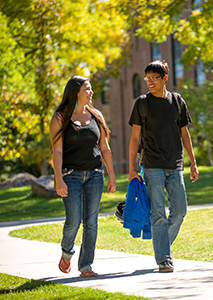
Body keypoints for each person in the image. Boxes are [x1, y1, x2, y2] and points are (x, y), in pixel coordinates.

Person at [128, 60, 199, 272]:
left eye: (154, 78)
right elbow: (134, 138)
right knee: (158, 213)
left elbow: (185, 134)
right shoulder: (142, 103)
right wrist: (132, 168)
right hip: (152, 165)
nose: (149, 82)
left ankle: (162, 247)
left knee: (180, 212)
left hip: (175, 164)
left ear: (164, 78)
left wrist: (193, 163)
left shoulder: (177, 101)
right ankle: (164, 259)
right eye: (147, 78)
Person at [49, 75, 117, 277]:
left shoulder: (96, 115)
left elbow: (105, 148)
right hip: (71, 175)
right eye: (87, 89)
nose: (91, 92)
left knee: (91, 222)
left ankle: (86, 266)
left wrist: (111, 175)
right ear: (75, 92)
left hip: (95, 175)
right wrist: (58, 178)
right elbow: (57, 150)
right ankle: (66, 253)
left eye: (91, 89)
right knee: (74, 220)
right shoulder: (60, 118)